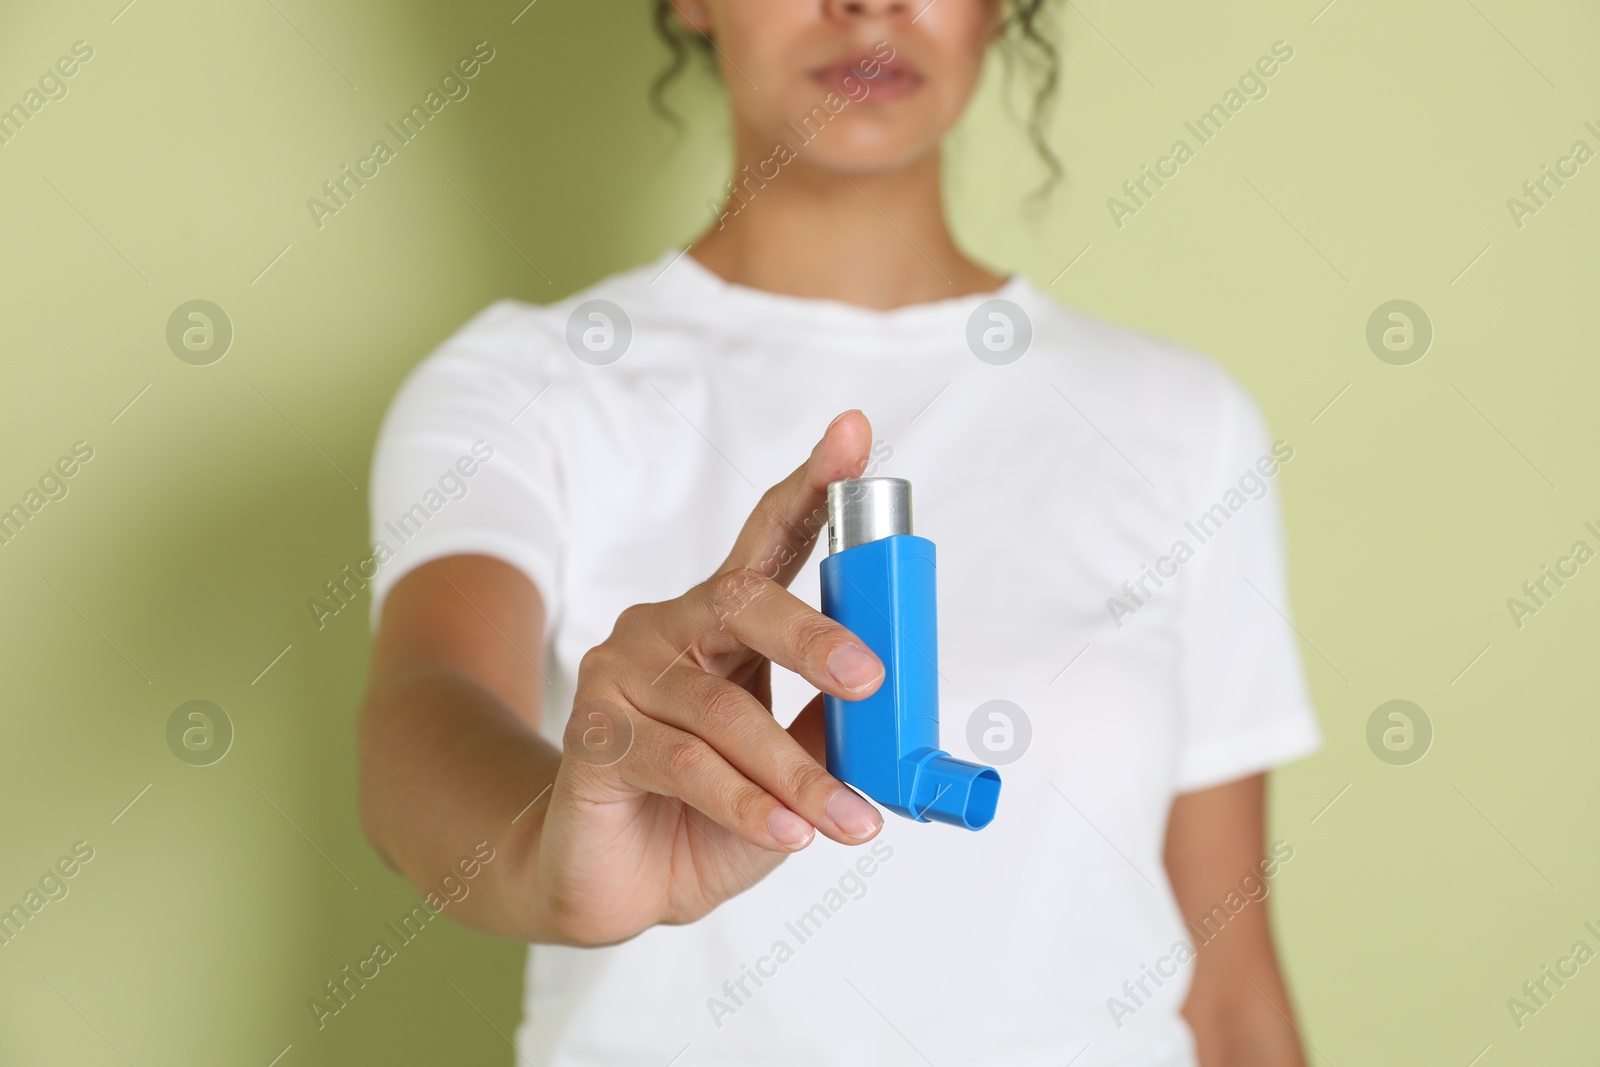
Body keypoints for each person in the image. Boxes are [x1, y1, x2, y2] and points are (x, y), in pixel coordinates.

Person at [357, 2, 1322, 1064]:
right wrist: (546, 853)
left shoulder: (1180, 418)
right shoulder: (526, 383)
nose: (870, 4)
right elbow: (421, 715)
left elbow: (1230, 992)